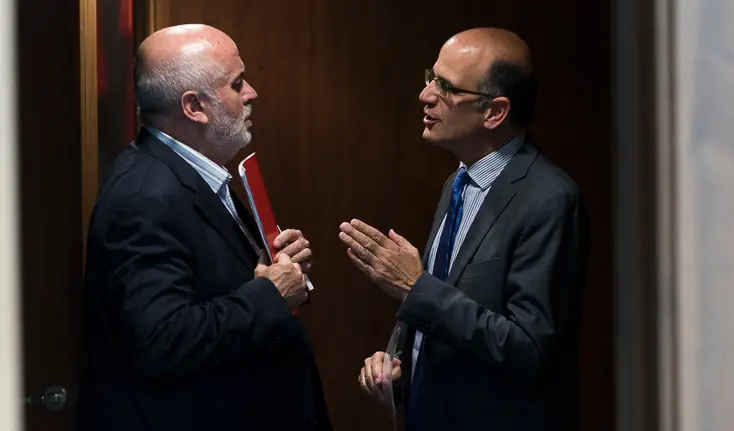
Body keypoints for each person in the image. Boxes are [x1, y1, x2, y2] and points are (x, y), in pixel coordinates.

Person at [75, 24, 331, 431]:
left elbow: (213, 282)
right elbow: (161, 340)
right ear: (195, 106)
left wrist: (277, 266)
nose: (251, 94)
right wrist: (269, 294)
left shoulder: (192, 172)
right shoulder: (144, 195)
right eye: (237, 83)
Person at [339, 27, 589, 430]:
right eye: (430, 77)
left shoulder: (549, 199)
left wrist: (414, 288)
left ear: (495, 112)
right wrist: (403, 363)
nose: (426, 95)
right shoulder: (458, 183)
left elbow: (529, 350)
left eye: (446, 87)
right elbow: (457, 312)